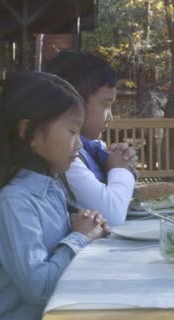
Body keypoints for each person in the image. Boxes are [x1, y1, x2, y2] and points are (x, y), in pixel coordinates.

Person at [0, 72, 110, 320]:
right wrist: (79, 237)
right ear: (27, 131)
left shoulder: (50, 186)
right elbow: (39, 289)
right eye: (72, 131)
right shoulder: (15, 201)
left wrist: (88, 230)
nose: (80, 145)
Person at [45, 51, 138, 226]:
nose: (110, 117)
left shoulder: (91, 149)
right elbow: (113, 214)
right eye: (106, 104)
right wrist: (120, 169)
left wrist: (115, 167)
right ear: (74, 101)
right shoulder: (66, 156)